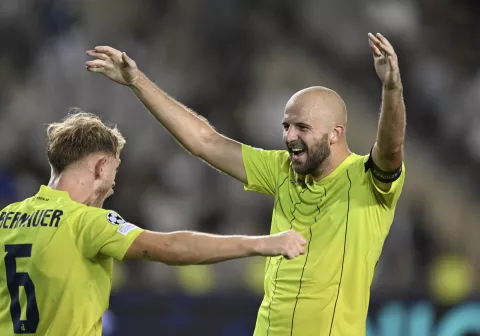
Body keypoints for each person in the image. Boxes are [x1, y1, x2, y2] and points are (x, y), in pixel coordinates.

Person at [86, 32, 406, 335]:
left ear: (335, 133)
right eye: (287, 126)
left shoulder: (368, 180)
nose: (290, 136)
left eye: (302, 127)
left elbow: (390, 148)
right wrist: (137, 82)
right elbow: (205, 141)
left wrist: (391, 89)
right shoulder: (281, 169)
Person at [0, 111, 307, 336]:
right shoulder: (86, 222)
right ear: (101, 166)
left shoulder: (7, 218)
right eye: (115, 171)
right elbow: (171, 246)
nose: (114, 185)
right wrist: (262, 243)